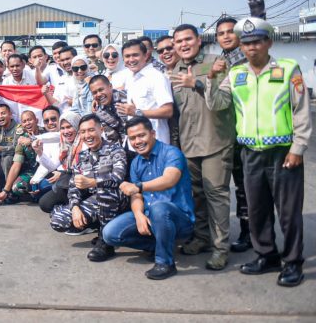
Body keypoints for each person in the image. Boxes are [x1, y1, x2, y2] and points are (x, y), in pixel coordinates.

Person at [206, 17, 311, 287]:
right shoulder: (236, 73)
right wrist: (212, 78)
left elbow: (301, 112)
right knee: (257, 210)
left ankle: (292, 262)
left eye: (257, 41)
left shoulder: (288, 69)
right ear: (242, 46)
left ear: (269, 42)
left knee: (288, 213)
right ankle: (267, 255)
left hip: (283, 152)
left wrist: (298, 147)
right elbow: (217, 104)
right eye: (247, 42)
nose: (252, 47)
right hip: (250, 152)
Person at [169, 24, 234, 270]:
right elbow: (177, 113)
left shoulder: (214, 62)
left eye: (188, 39)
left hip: (215, 141)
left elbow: (222, 100)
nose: (183, 44)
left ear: (198, 40)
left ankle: (221, 249)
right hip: (189, 144)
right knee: (196, 195)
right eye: (179, 41)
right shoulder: (174, 70)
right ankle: (202, 238)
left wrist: (196, 82)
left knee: (217, 195)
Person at [102, 117, 195, 280]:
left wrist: (139, 186)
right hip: (151, 216)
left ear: (152, 133)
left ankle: (165, 262)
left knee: (159, 207)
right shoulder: (136, 162)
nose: (137, 141)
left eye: (141, 135)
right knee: (110, 233)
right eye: (132, 138)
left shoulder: (171, 152)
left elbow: (169, 180)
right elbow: (136, 196)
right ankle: (157, 245)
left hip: (179, 219)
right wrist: (138, 215)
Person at [50, 114, 128, 262]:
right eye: (83, 132)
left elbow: (118, 178)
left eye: (91, 130)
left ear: (101, 129)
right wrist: (75, 208)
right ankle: (95, 224)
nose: (87, 135)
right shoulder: (83, 155)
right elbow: (74, 185)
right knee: (58, 221)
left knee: (105, 192)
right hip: (95, 200)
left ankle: (105, 242)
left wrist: (92, 183)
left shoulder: (115, 150)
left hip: (118, 199)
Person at [214, 16, 251, 252]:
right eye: (221, 33)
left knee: (246, 188)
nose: (226, 36)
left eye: (231, 31)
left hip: (248, 134)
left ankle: (251, 234)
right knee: (229, 188)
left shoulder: (249, 59)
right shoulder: (217, 62)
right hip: (225, 134)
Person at [117, 39, 174, 144]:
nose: (131, 59)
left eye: (135, 55)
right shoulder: (130, 78)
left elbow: (168, 111)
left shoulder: (156, 77)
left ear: (146, 56)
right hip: (135, 143)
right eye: (127, 56)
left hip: (155, 143)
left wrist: (137, 112)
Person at [34, 108, 82, 214]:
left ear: (77, 126)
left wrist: (62, 174)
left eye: (69, 127)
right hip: (67, 178)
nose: (66, 131)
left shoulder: (84, 143)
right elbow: (52, 166)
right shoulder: (65, 143)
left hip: (84, 184)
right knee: (44, 202)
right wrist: (39, 152)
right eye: (63, 128)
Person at [0, 111, 45, 203]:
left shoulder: (46, 133)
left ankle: (42, 193)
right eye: (24, 121)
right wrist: (5, 191)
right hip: (32, 172)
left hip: (48, 171)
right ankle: (33, 194)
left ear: (36, 120)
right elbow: (16, 165)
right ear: (22, 124)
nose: (27, 123)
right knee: (17, 187)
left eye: (30, 120)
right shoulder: (21, 139)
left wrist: (31, 141)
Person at [88, 75, 127, 147]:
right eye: (95, 93)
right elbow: (112, 137)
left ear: (110, 86)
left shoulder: (124, 98)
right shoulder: (98, 111)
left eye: (101, 90)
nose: (98, 94)